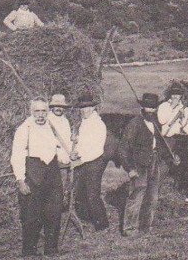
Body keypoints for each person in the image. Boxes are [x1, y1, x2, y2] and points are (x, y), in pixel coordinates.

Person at [10, 98, 70, 256]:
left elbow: (60, 149)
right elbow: (17, 155)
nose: (41, 115)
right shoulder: (24, 129)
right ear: (31, 112)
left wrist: (69, 157)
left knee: (54, 212)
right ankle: (29, 250)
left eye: (44, 111)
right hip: (33, 173)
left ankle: (51, 249)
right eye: (37, 111)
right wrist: (20, 180)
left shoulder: (52, 126)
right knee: (31, 215)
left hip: (52, 173)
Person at [118, 93, 166, 237]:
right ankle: (130, 229)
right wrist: (130, 168)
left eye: (153, 107)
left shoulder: (156, 123)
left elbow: (159, 144)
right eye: (148, 107)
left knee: (152, 197)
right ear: (142, 107)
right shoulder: (135, 124)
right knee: (136, 195)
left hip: (154, 163)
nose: (150, 110)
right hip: (139, 165)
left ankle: (146, 227)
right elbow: (123, 148)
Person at [70, 91, 111, 231]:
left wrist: (79, 160)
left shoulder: (98, 124)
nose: (84, 110)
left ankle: (102, 224)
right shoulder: (84, 122)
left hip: (94, 161)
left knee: (92, 193)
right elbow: (84, 143)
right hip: (84, 161)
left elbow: (96, 148)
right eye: (82, 108)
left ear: (93, 108)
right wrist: (76, 146)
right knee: (81, 192)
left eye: (87, 107)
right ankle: (87, 219)